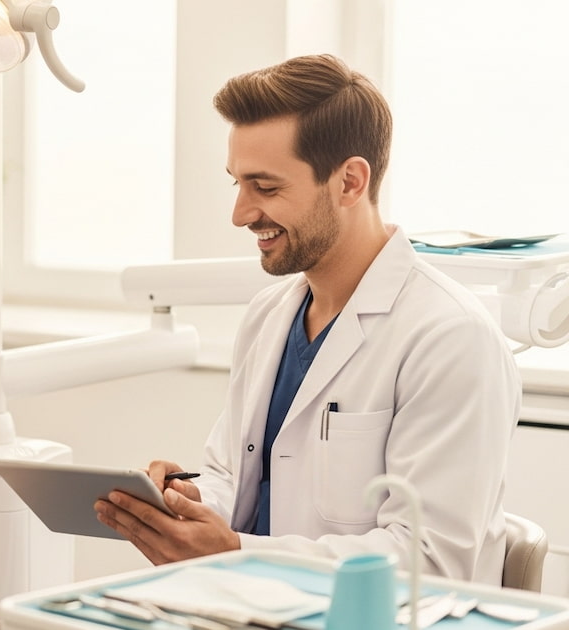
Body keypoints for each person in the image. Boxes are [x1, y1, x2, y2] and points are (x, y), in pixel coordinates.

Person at [94, 54, 521, 584]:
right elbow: (239, 477)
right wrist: (190, 501)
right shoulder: (269, 315)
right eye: (238, 184)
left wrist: (232, 553)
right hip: (249, 606)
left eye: (266, 188)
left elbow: (430, 560)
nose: (241, 213)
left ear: (349, 182)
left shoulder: (450, 338)